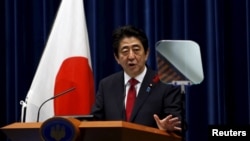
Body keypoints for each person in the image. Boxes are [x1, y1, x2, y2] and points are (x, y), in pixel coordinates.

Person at [91, 25, 183, 133]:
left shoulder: (166, 84)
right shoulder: (106, 85)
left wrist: (165, 129)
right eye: (125, 51)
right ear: (117, 58)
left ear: (146, 53)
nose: (131, 56)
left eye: (136, 50)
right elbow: (94, 123)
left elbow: (177, 125)